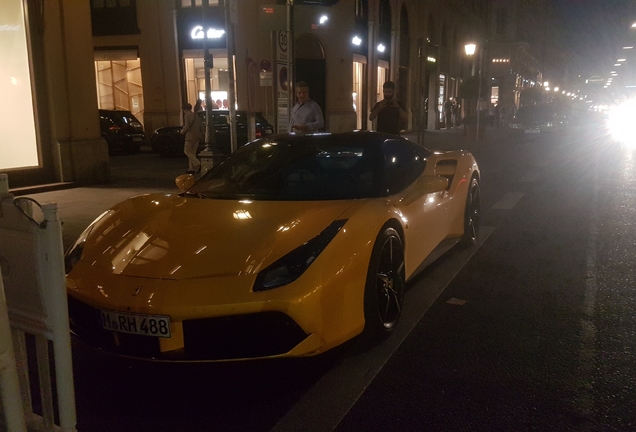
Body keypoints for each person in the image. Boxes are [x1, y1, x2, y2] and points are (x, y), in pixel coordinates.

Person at [180, 103, 201, 174]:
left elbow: (187, 126)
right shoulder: (196, 115)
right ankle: (192, 169)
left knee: (187, 151)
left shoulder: (187, 115)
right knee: (193, 153)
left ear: (184, 109)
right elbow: (201, 125)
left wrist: (182, 131)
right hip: (197, 136)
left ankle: (197, 163)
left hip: (190, 136)